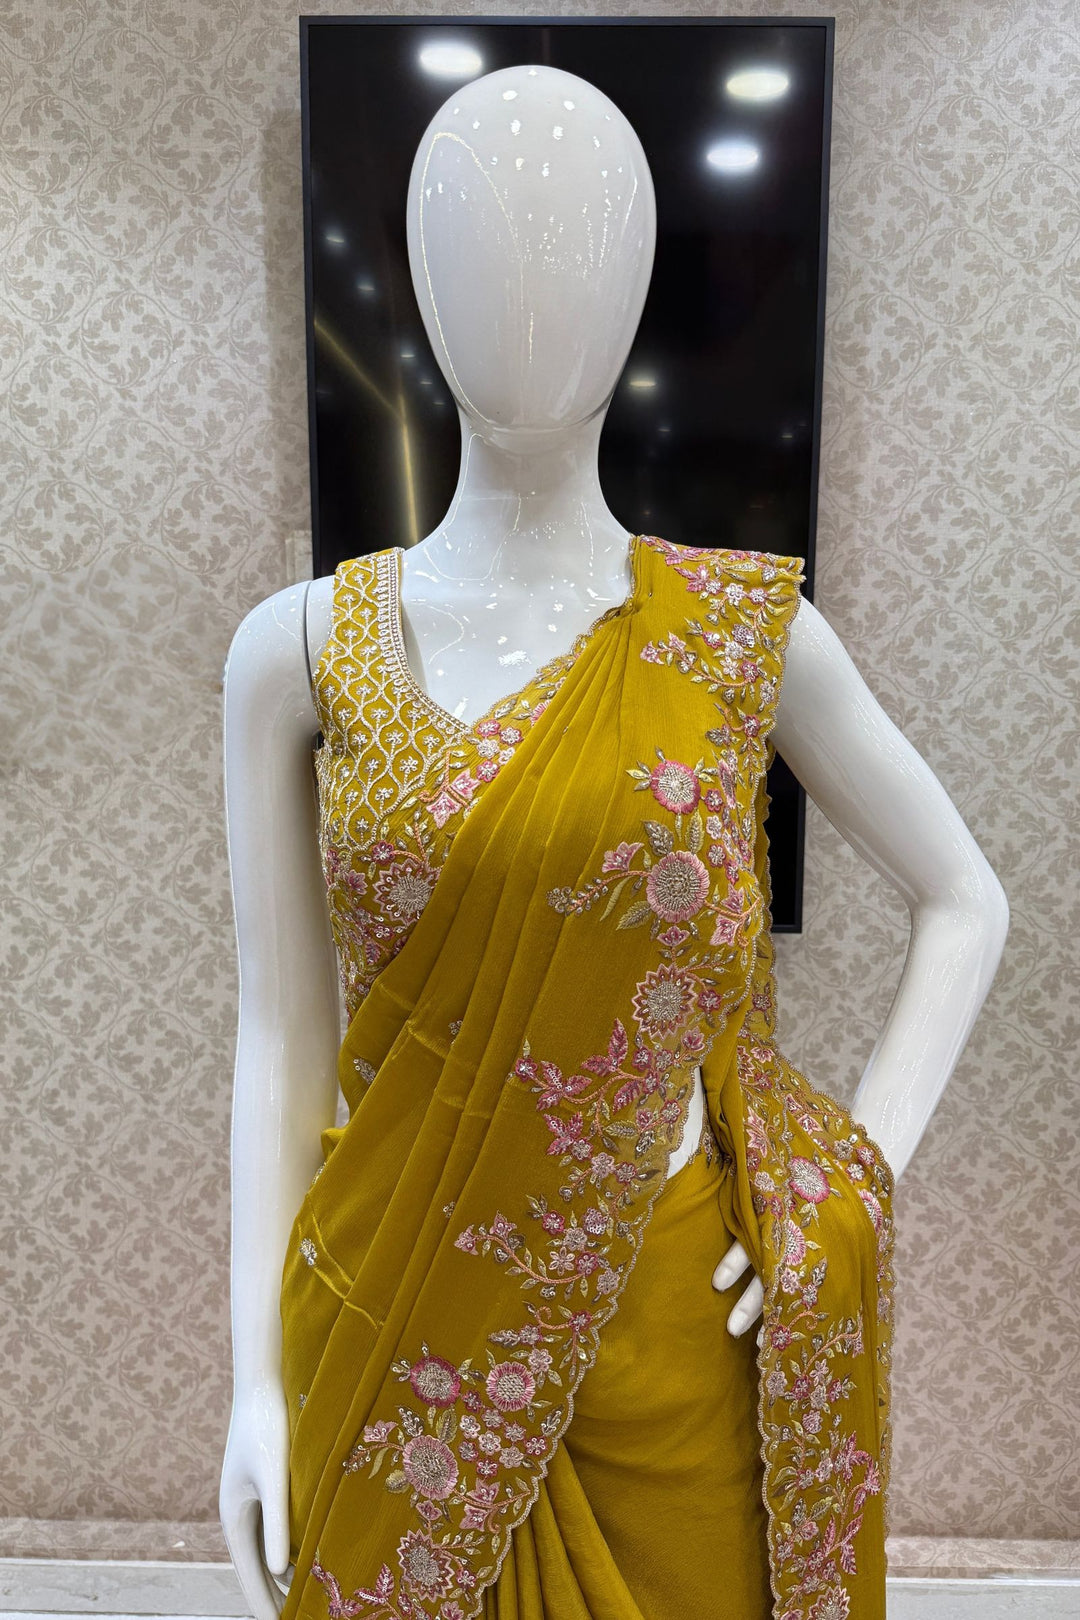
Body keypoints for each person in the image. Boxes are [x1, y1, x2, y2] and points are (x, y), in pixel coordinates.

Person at [218, 65, 1009, 1620]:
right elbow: (277, 1035)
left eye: (581, 244)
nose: (534, 293)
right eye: (483, 241)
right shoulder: (292, 650)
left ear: (642, 284)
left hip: (672, 1327)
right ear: (416, 283)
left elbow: (963, 899)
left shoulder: (738, 636)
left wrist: (848, 1183)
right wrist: (252, 1377)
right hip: (393, 1317)